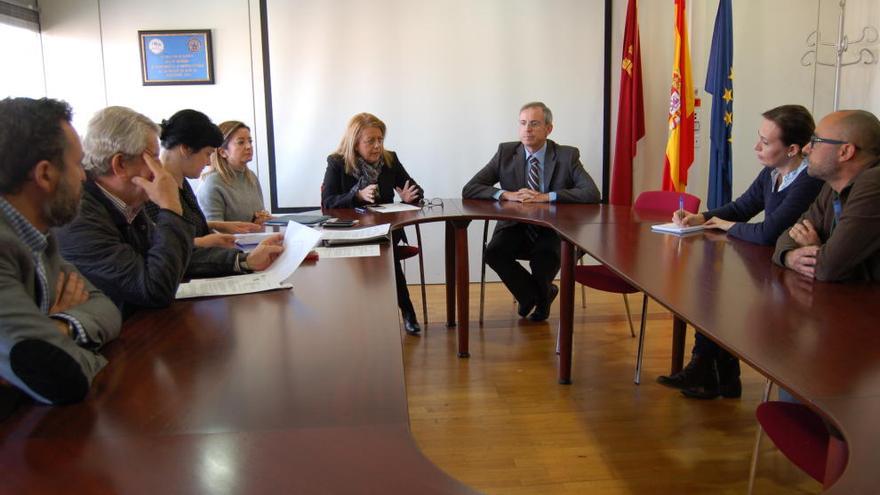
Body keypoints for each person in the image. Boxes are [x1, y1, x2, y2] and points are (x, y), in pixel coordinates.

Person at [658, 105, 824, 400]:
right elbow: (742, 208)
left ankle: (709, 371)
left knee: (723, 298)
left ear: (793, 149)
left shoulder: (809, 181)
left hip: (798, 279)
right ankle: (717, 374)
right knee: (711, 289)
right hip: (770, 267)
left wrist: (724, 225)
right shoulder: (771, 172)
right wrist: (703, 217)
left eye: (766, 142)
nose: (757, 146)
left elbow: (768, 233)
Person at [55, 106, 283, 318]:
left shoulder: (127, 202)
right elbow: (153, 289)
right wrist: (170, 208)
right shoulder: (79, 218)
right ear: (121, 165)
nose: (159, 167)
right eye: (153, 157)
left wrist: (244, 261)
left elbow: (175, 256)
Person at [0, 97, 121, 408]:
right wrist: (65, 348)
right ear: (45, 174)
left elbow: (106, 309)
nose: (84, 177)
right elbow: (61, 379)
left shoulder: (40, 237)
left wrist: (59, 325)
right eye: (79, 164)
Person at [462, 101, 600, 321]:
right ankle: (535, 295)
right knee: (494, 252)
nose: (527, 129)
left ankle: (541, 304)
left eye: (534, 124)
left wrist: (547, 197)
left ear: (548, 129)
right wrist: (506, 194)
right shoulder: (506, 152)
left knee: (544, 257)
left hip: (553, 228)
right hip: (515, 226)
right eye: (523, 123)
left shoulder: (566, 155)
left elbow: (592, 193)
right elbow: (470, 188)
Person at [321, 113, 424, 334]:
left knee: (388, 257)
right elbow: (328, 202)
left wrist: (409, 197)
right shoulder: (337, 162)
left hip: (385, 230)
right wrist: (356, 196)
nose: (378, 146)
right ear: (355, 143)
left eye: (380, 140)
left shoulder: (389, 159)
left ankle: (408, 313)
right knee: (373, 262)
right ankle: (362, 317)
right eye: (371, 141)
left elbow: (416, 190)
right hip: (349, 232)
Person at [774, 109, 880, 281]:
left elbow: (828, 268)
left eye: (816, 141)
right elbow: (787, 237)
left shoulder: (874, 183)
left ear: (845, 152)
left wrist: (818, 250)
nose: (807, 149)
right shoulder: (832, 185)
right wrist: (788, 257)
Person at [197, 120, 272, 225]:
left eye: (250, 141)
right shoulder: (212, 184)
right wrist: (252, 227)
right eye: (241, 142)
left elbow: (257, 218)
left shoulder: (251, 177)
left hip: (254, 240)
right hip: (230, 241)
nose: (248, 146)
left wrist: (262, 220)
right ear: (223, 152)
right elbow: (213, 231)